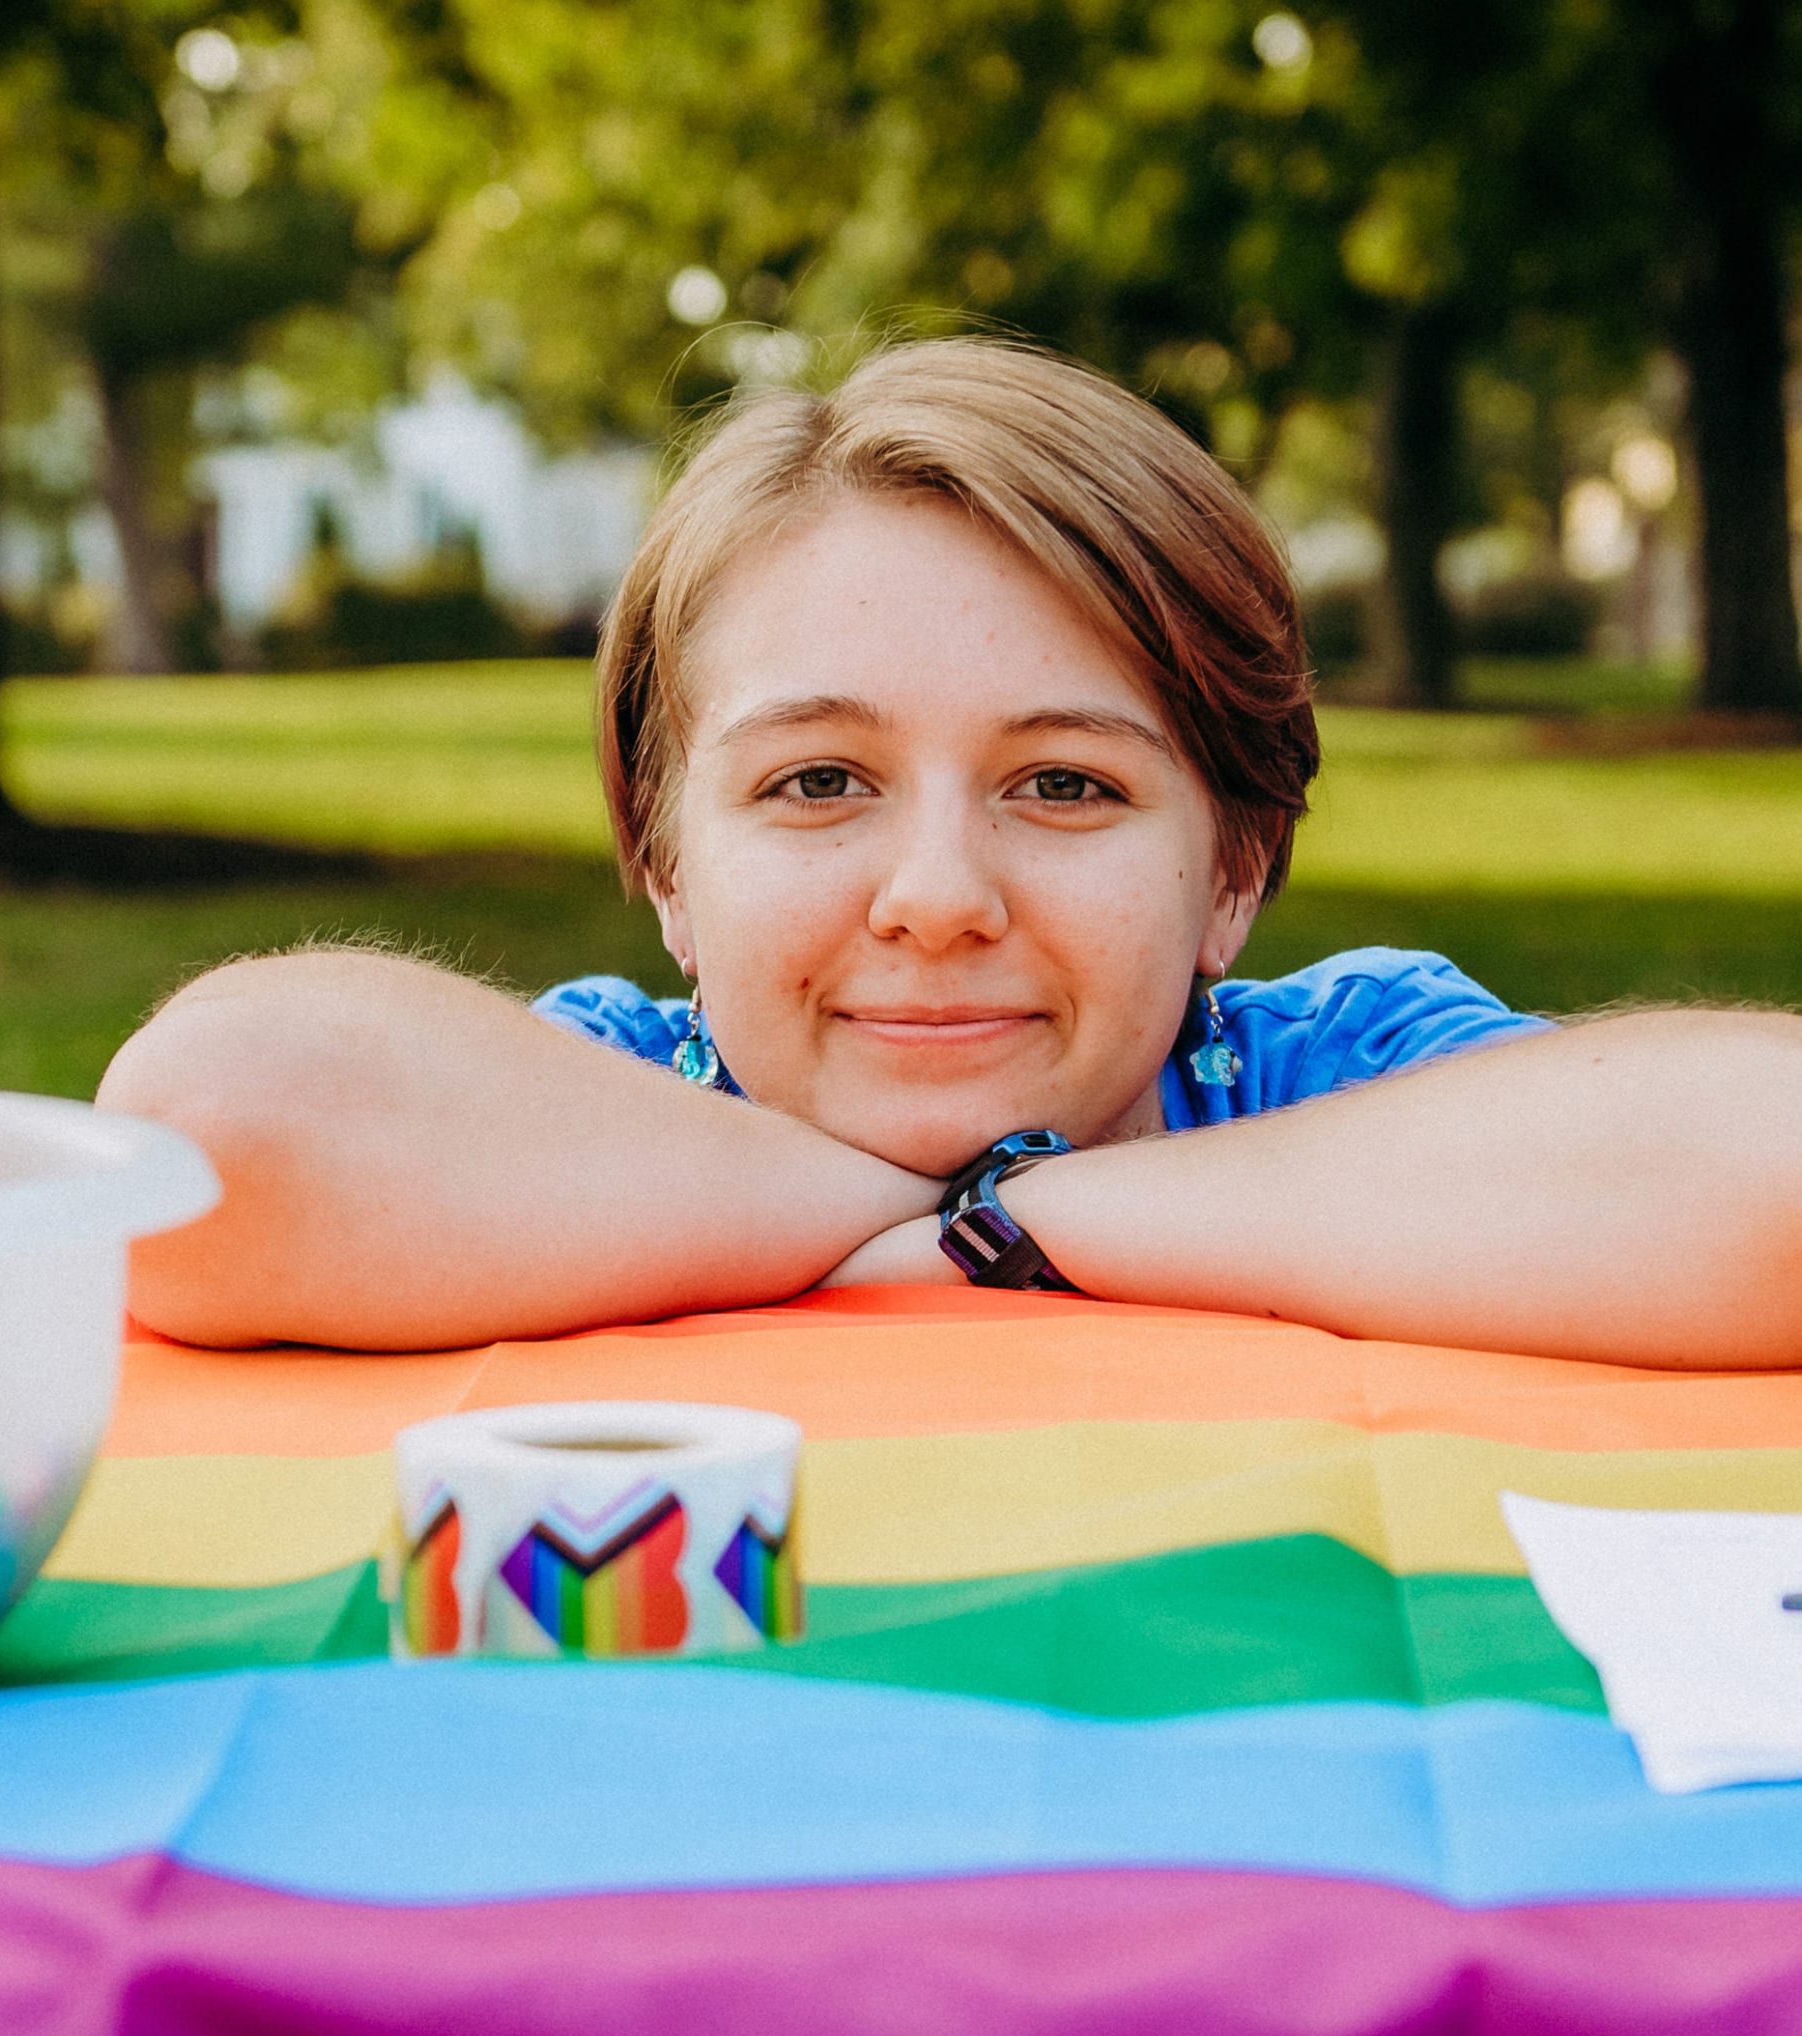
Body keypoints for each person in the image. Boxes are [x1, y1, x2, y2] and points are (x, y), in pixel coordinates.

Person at [100, 338, 1802, 1366]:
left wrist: (1036, 1217)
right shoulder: (602, 1100)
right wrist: (916, 1214)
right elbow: (207, 1136)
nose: (934, 901)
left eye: (1063, 788)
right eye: (819, 783)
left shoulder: (1337, 1074)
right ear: (668, 866)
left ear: (1233, 867)